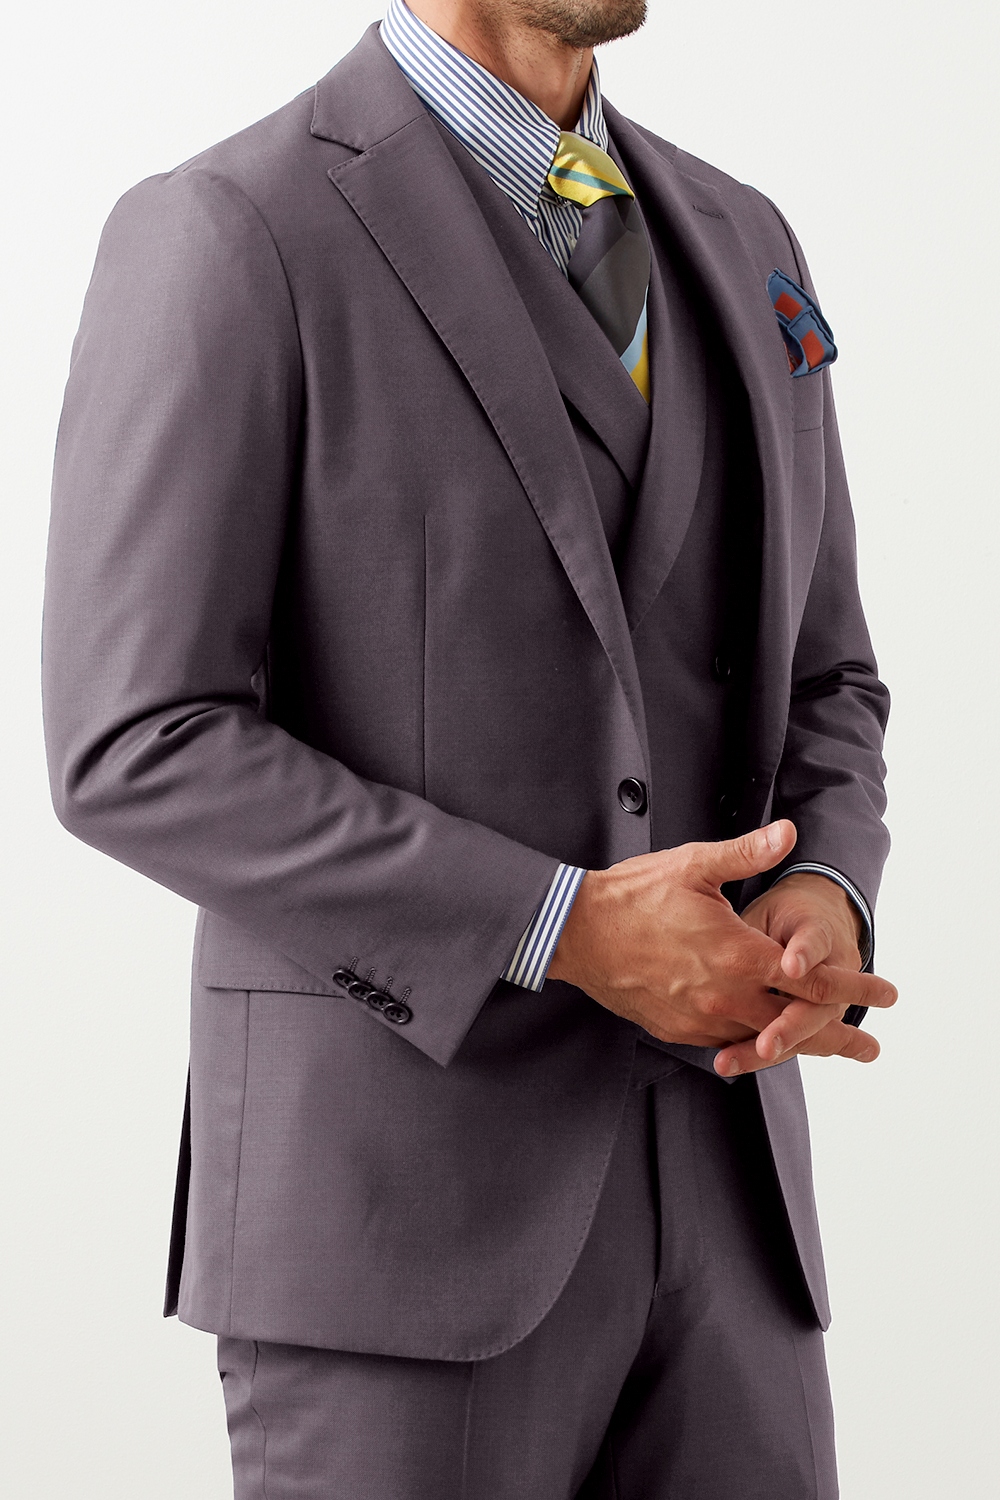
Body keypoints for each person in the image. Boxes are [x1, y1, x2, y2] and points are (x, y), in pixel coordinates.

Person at [42, 0, 898, 1494]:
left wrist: (824, 881)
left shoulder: (741, 231)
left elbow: (828, 672)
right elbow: (136, 738)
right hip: (393, 1232)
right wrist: (558, 926)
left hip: (733, 1228)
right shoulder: (232, 229)